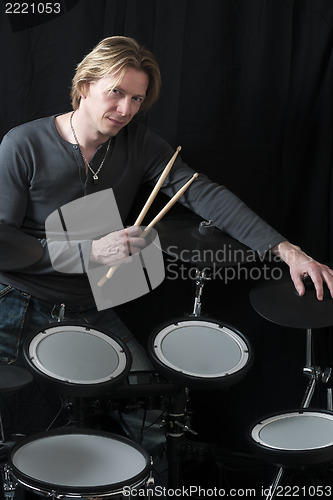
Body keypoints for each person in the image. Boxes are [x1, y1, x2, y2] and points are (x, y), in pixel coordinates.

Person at [0, 36, 332, 433]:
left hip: (88, 305)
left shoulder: (140, 145)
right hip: (15, 301)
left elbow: (203, 194)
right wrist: (90, 252)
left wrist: (287, 250)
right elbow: (3, 244)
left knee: (151, 415)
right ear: (85, 85)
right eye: (116, 92)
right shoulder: (23, 144)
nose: (125, 109)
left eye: (137, 99)